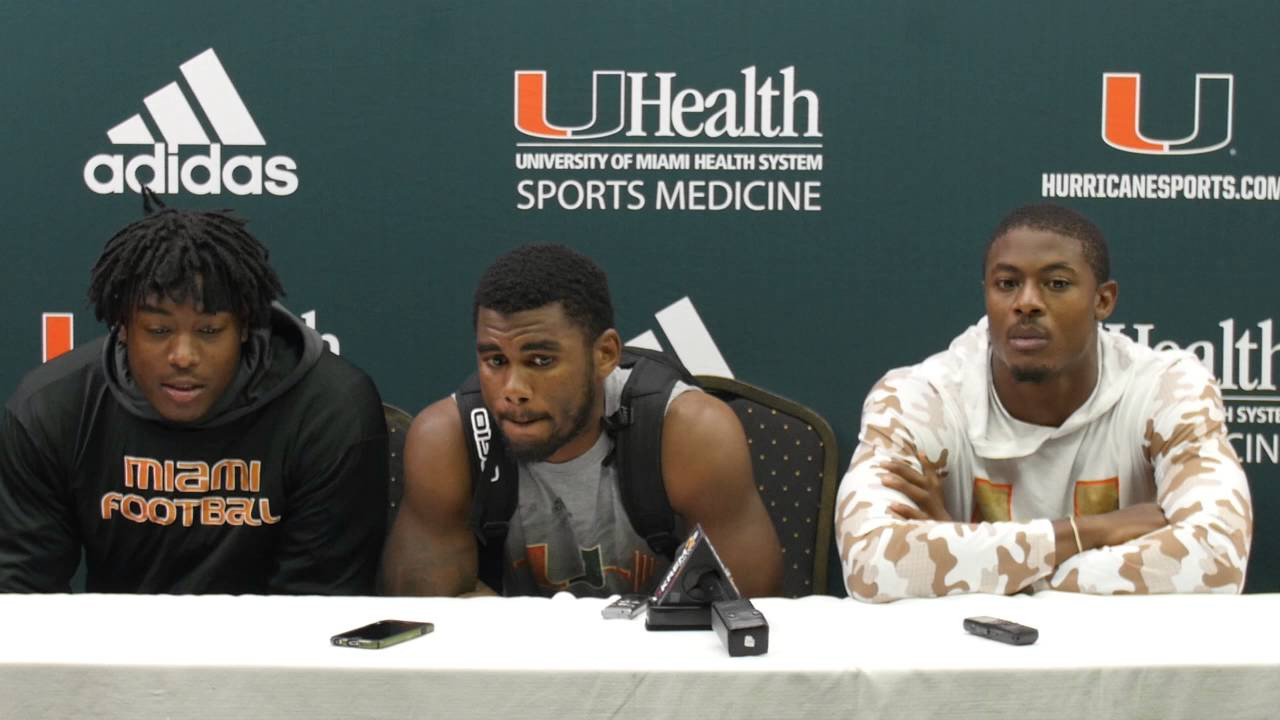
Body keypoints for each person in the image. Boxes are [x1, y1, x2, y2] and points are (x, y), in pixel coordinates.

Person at [835, 203, 1252, 602]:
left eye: (1056, 284)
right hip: (969, 659)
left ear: (1103, 300)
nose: (1026, 302)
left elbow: (1218, 558)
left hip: (1126, 656)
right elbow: (870, 564)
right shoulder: (921, 397)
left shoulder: (1165, 388)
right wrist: (1088, 532)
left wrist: (974, 569)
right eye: (1007, 284)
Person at [0, 198, 388, 594]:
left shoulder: (329, 409)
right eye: (158, 331)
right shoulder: (55, 407)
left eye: (208, 331)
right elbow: (24, 597)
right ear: (122, 327)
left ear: (245, 327)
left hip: (277, 652)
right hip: (110, 650)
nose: (183, 356)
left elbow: (319, 607)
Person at [383, 244, 781, 598]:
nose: (514, 388)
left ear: (605, 355)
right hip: (513, 676)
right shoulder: (448, 439)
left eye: (541, 361)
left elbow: (738, 619)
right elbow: (430, 626)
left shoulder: (689, 432)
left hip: (660, 673)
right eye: (495, 361)